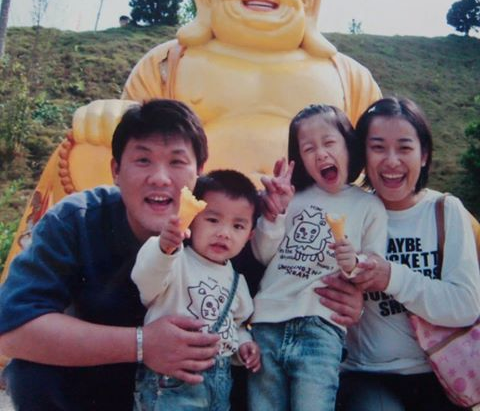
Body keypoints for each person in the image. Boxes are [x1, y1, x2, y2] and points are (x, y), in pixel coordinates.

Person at [4, 0, 383, 273]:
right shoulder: (169, 61)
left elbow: (381, 151)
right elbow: (135, 133)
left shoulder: (346, 74)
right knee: (87, 147)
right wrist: (107, 119)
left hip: (311, 232)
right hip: (192, 223)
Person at [0, 99, 221, 410]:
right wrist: (143, 344)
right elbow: (12, 329)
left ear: (199, 172)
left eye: (176, 162)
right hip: (98, 383)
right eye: (143, 160)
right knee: (33, 372)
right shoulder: (75, 221)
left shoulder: (222, 225)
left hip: (190, 391)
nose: (160, 178)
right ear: (116, 170)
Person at [336, 97, 480, 411]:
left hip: (441, 374)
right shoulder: (346, 212)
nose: (391, 161)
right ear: (362, 154)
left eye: (404, 148)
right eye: (378, 147)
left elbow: (466, 306)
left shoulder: (445, 211)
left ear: (423, 155)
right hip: (367, 375)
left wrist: (392, 277)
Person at [248, 104, 387, 411]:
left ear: (349, 146)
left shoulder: (369, 207)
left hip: (322, 327)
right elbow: (263, 255)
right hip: (268, 321)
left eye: (329, 142)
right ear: (299, 160)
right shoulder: (292, 198)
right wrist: (275, 215)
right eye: (308, 148)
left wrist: (354, 263)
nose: (321, 153)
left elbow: (373, 267)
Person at [131, 170, 261, 410]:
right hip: (172, 380)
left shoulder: (237, 280)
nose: (224, 233)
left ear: (250, 235)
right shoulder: (175, 260)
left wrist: (244, 343)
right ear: (192, 219)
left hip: (219, 383)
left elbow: (237, 324)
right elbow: (145, 280)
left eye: (238, 226)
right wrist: (164, 248)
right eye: (213, 220)